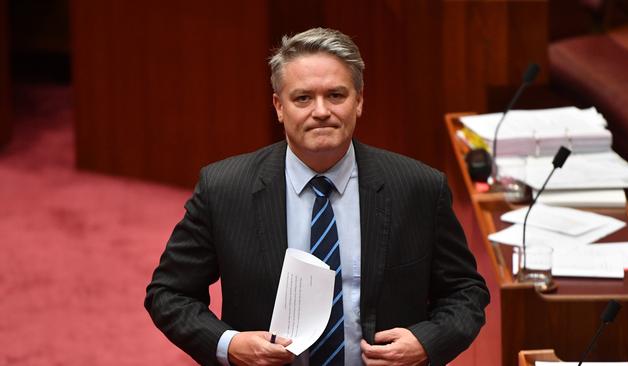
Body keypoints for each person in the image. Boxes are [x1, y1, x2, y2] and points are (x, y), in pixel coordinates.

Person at [145, 27, 489, 366]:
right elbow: (169, 293)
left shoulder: (418, 188)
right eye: (303, 98)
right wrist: (229, 344)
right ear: (279, 107)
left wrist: (426, 344)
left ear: (359, 101)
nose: (321, 111)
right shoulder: (224, 188)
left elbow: (465, 293)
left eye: (336, 95)